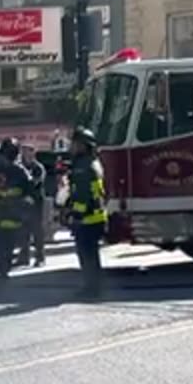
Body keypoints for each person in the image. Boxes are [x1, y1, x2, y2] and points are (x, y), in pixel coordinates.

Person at [0, 138, 40, 281]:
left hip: (1, 217)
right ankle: (0, 270)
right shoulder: (16, 170)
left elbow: (30, 193)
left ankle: (0, 269)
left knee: (0, 245)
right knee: (0, 245)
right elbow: (31, 190)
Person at [66, 127, 108, 298]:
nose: (72, 147)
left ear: (83, 145)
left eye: (75, 143)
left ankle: (90, 289)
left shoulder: (82, 167)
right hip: (96, 216)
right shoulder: (93, 162)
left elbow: (82, 195)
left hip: (87, 219)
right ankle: (94, 287)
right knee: (92, 254)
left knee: (87, 256)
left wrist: (74, 214)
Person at [17, 145, 47, 267]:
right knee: (23, 230)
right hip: (23, 202)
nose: (25, 153)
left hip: (36, 201)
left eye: (28, 150)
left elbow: (35, 182)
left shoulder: (38, 167)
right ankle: (24, 256)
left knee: (37, 230)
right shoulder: (20, 167)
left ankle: (40, 257)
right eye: (23, 151)